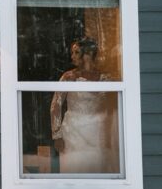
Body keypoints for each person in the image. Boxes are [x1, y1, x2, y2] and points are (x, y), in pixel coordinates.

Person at [49, 37, 117, 174]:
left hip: (98, 132)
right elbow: (55, 106)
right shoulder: (68, 77)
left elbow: (113, 107)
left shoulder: (106, 78)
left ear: (88, 54)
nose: (72, 56)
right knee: (75, 169)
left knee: (98, 168)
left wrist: (113, 134)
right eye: (72, 52)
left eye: (76, 52)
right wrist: (57, 135)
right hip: (73, 131)